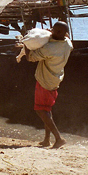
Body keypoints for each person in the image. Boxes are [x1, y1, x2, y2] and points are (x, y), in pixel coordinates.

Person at [25, 21, 73, 149]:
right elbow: (64, 38)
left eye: (56, 31)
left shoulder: (49, 49)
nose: (53, 32)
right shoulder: (68, 44)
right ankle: (46, 140)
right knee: (47, 109)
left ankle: (58, 138)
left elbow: (30, 58)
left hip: (44, 81)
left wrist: (25, 44)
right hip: (56, 79)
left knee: (40, 109)